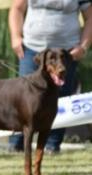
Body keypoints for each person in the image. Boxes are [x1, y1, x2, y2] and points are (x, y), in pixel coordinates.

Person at [9, 0, 92, 153]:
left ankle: (52, 146)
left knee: (61, 98)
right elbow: (17, 8)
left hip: (66, 53)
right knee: (23, 98)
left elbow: (90, 17)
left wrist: (83, 47)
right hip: (31, 50)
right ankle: (16, 145)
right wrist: (15, 37)